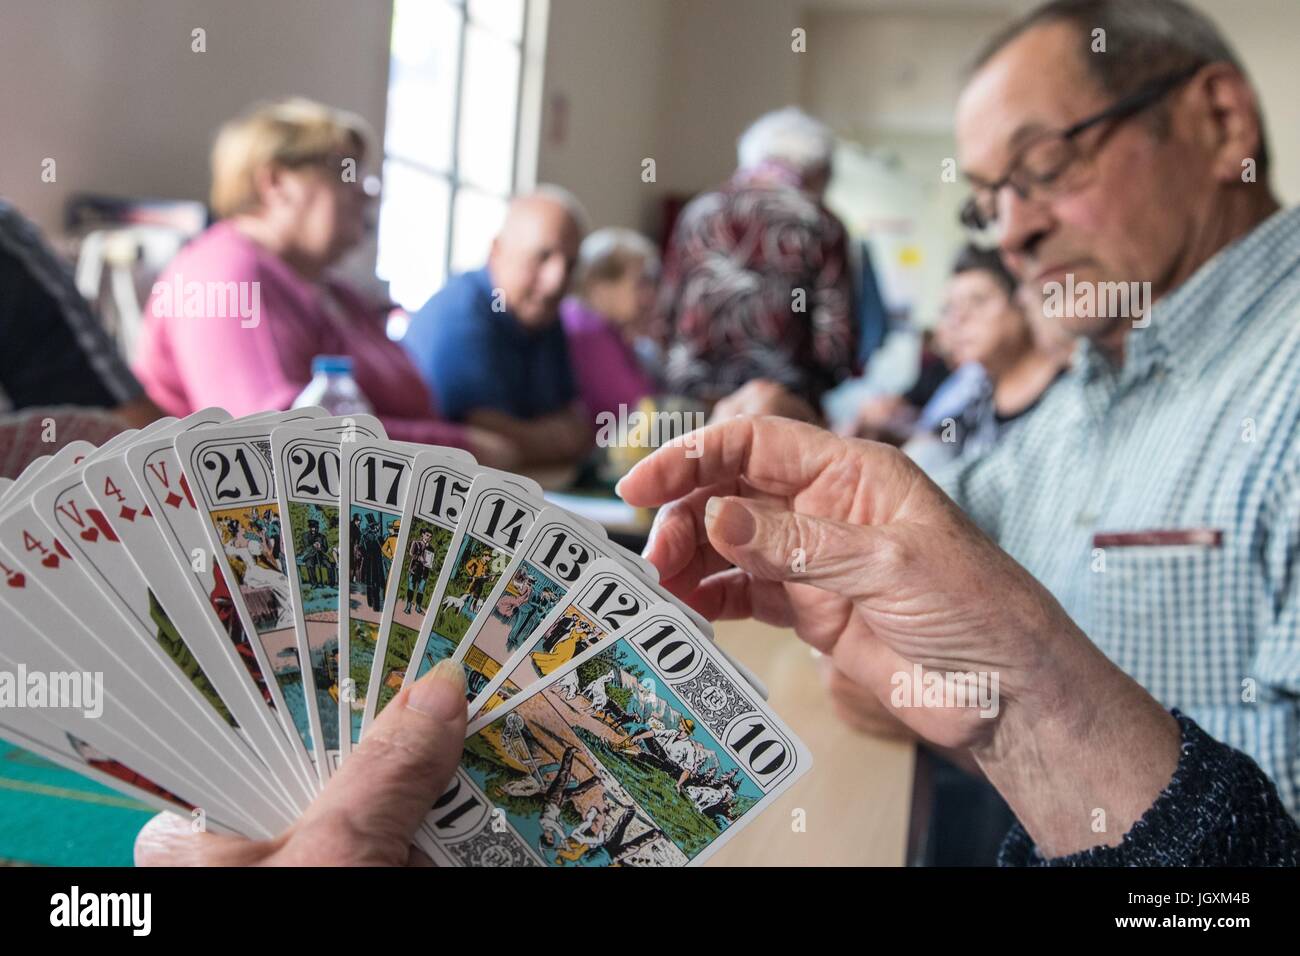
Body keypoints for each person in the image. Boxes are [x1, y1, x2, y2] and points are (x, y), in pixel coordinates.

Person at [824, 0, 1300, 824]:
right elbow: (957, 510)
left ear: (1221, 124)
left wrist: (980, 724)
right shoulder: (1098, 379)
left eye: (1043, 166)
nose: (1013, 234)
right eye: (987, 201)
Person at [617, 415, 1300, 865]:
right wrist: (1011, 713)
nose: (1007, 228)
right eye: (984, 198)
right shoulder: (1067, 405)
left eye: (1039, 181)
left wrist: (1021, 705)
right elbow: (932, 516)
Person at [130, 98, 516, 469]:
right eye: (343, 170)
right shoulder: (222, 276)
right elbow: (269, 440)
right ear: (276, 182)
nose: (366, 191)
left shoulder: (339, 294)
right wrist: (461, 449)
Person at [654, 107, 857, 412]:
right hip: (779, 408)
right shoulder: (821, 223)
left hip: (692, 403)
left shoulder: (698, 211)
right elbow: (836, 344)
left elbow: (663, 319)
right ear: (817, 170)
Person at [402, 187, 592, 467]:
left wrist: (536, 438)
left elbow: (578, 423)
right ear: (497, 251)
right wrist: (553, 439)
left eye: (570, 264)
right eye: (542, 256)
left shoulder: (543, 315)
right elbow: (487, 440)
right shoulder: (458, 315)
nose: (556, 281)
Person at [904, 246, 1069, 471]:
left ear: (1023, 302)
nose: (958, 319)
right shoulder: (977, 394)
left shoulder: (1068, 401)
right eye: (951, 308)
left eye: (978, 301)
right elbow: (946, 436)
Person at [559, 227, 660, 428]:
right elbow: (638, 411)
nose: (649, 296)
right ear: (600, 286)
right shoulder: (586, 328)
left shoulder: (607, 329)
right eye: (640, 284)